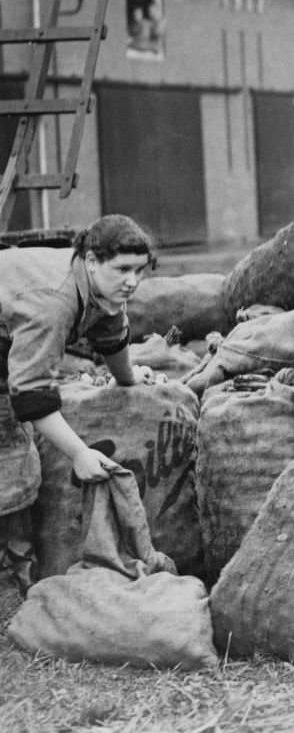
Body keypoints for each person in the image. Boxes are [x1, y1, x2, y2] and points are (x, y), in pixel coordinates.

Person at [0, 214, 156, 593]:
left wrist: (129, 379)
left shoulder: (100, 290)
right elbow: (32, 395)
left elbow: (112, 338)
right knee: (11, 465)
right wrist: (79, 453)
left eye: (140, 270)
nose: (132, 281)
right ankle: (8, 582)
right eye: (122, 269)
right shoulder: (53, 302)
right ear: (91, 261)